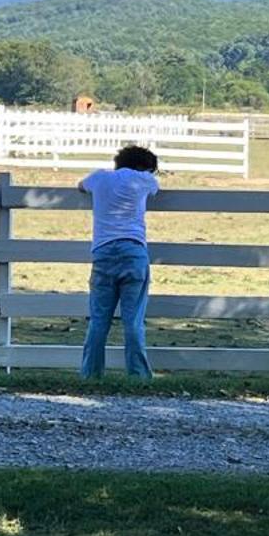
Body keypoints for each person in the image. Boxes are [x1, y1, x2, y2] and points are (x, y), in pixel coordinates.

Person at [78, 144, 160, 380]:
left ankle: (90, 375)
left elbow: (80, 186)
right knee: (133, 320)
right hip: (133, 250)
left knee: (98, 320)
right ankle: (138, 375)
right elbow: (155, 187)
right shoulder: (144, 180)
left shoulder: (99, 178)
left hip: (103, 252)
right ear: (144, 167)